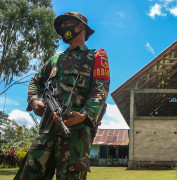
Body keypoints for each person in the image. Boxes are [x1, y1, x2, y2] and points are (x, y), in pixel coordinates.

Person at [14, 12, 110, 180]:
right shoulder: (55, 59)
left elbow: (100, 89)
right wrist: (34, 100)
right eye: (61, 26)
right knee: (30, 173)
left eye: (67, 24)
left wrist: (84, 115)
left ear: (81, 26)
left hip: (76, 130)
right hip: (47, 126)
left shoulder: (96, 56)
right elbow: (36, 81)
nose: (63, 28)